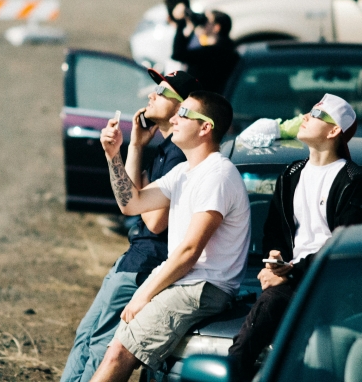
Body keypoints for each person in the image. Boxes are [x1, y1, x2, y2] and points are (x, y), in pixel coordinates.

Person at [91, 91, 251, 382]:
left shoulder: (218, 175)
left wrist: (144, 293)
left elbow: (190, 250)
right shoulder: (184, 172)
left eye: (185, 114)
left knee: (118, 354)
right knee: (117, 351)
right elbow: (131, 203)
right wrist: (114, 155)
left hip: (203, 286)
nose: (174, 118)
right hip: (184, 281)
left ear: (205, 128)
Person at [227, 93, 362, 381]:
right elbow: (274, 229)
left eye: (317, 115)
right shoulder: (292, 173)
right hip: (290, 277)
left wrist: (291, 273)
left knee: (270, 308)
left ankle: (233, 372)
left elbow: (343, 245)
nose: (306, 117)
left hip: (331, 283)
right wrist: (274, 257)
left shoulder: (355, 183)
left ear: (334, 130)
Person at [60, 70, 202, 382]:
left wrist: (119, 155)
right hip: (132, 258)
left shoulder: (181, 156)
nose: (151, 95)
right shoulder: (165, 148)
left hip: (145, 263)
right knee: (86, 336)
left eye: (162, 93)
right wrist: (135, 146)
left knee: (99, 346)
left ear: (183, 108)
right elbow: (130, 202)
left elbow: (153, 221)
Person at [170, 3, 239, 93]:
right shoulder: (228, 48)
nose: (203, 23)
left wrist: (180, 24)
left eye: (206, 20)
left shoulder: (214, 52)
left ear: (216, 27)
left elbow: (178, 54)